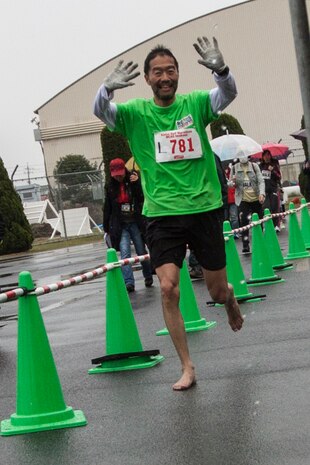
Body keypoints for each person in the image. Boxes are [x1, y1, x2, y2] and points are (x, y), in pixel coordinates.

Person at [94, 36, 244, 391]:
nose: (165, 77)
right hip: (161, 213)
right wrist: (106, 89)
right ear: (147, 78)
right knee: (167, 288)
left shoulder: (195, 103)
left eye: (171, 70)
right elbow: (103, 113)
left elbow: (227, 95)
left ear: (178, 75)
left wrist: (221, 70)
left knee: (217, 290)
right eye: (158, 72)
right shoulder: (135, 114)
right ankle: (187, 366)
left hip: (204, 207)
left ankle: (230, 298)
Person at [103, 158, 153, 292]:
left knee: (141, 251)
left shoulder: (133, 179)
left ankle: (148, 276)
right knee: (124, 253)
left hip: (135, 222)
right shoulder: (110, 186)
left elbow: (142, 197)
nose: (118, 177)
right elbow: (107, 207)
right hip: (121, 225)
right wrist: (106, 227)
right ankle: (129, 282)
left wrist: (136, 183)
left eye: (120, 173)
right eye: (116, 175)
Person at [230, 153, 265, 254]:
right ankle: (245, 244)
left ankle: (261, 241)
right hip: (243, 199)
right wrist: (233, 182)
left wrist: (262, 193)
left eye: (244, 154)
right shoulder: (234, 168)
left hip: (256, 198)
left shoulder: (254, 166)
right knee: (244, 220)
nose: (243, 157)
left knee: (259, 220)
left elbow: (261, 181)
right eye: (240, 155)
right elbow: (230, 184)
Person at [258, 149, 282, 231]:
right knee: (266, 207)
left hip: (273, 189)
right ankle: (268, 225)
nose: (267, 157)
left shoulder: (274, 164)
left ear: (270, 156)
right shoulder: (260, 166)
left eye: (268, 155)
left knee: (274, 207)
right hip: (264, 190)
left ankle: (276, 225)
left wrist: (273, 171)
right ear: (262, 157)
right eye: (265, 155)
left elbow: (279, 177)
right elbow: (258, 178)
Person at [224, 159, 240, 238]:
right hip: (224, 198)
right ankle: (227, 232)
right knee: (225, 217)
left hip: (232, 198)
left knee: (234, 217)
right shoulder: (220, 174)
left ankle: (235, 232)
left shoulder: (233, 172)